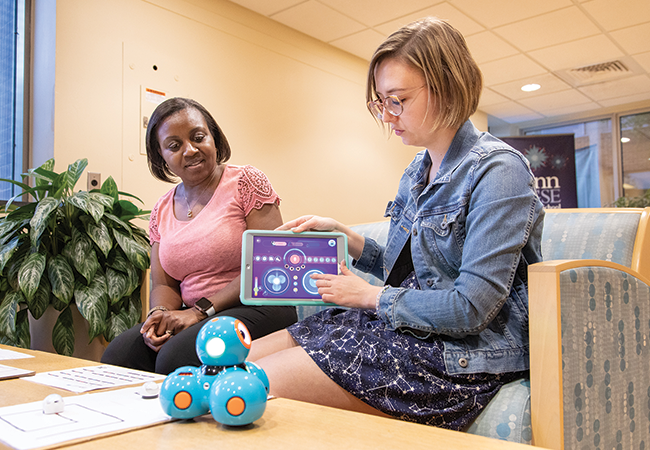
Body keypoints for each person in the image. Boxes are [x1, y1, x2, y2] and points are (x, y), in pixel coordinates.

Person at [247, 17, 545, 430]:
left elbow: (471, 307)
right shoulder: (417, 170)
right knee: (232, 363)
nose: (388, 116)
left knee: (245, 388)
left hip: (457, 354)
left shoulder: (500, 171)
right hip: (405, 330)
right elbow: (416, 271)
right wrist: (348, 238)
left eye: (398, 100)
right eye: (381, 102)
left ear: (447, 86)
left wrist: (369, 296)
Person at [101, 98, 297, 374]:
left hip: (259, 305)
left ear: (214, 139)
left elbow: (269, 264)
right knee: (119, 356)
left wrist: (199, 312)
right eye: (174, 145)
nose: (190, 150)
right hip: (197, 313)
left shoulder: (246, 182)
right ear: (161, 157)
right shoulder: (161, 209)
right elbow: (163, 284)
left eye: (198, 137)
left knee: (175, 358)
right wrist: (160, 315)